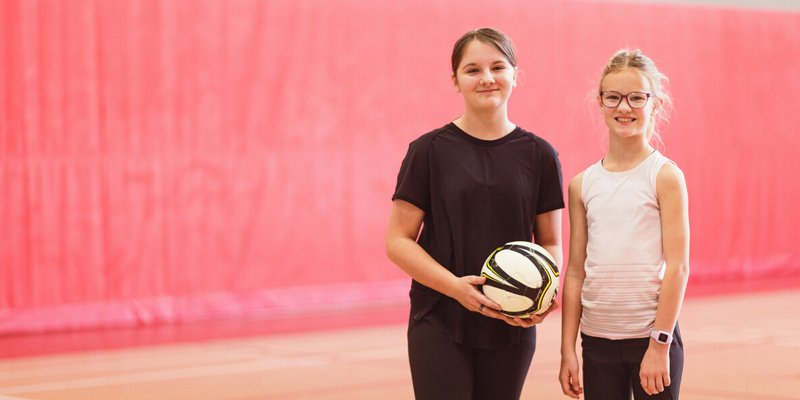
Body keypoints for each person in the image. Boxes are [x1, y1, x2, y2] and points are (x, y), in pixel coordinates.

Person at [385, 27, 564, 400]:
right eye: (472, 70)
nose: (486, 78)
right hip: (439, 315)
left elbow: (549, 242)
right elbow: (397, 242)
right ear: (455, 81)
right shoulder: (428, 150)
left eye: (498, 67)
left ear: (516, 74)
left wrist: (543, 294)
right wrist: (455, 288)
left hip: (510, 319)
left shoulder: (540, 155)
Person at [558, 49, 690, 400]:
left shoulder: (665, 176)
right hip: (597, 343)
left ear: (655, 104)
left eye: (636, 98)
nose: (624, 107)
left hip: (651, 340)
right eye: (613, 97)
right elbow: (574, 272)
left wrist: (660, 344)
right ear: (600, 102)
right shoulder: (582, 184)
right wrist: (567, 349)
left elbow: (678, 267)